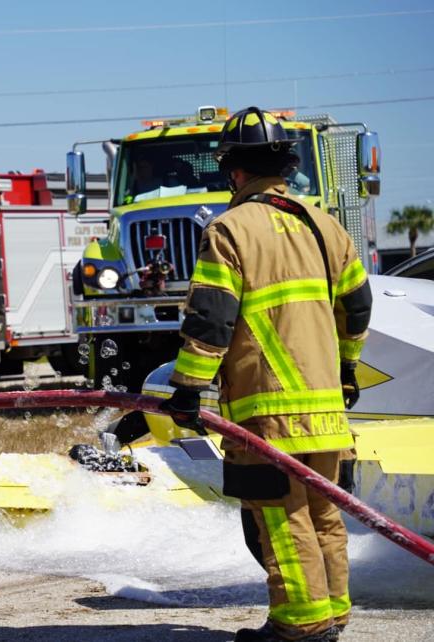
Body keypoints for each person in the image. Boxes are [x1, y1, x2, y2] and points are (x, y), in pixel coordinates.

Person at [160, 107, 372, 642]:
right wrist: (346, 367)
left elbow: (211, 318)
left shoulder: (229, 230)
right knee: (324, 514)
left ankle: (300, 626)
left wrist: (186, 388)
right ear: (287, 166)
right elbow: (360, 306)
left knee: (282, 517)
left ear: (235, 171)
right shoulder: (327, 227)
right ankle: (334, 613)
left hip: (267, 408)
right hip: (326, 409)